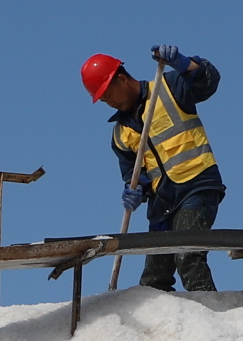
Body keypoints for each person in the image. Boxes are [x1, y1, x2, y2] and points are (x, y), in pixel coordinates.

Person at [81, 45, 225, 293]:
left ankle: (212, 313)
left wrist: (184, 63)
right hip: (162, 204)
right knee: (154, 279)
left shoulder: (168, 88)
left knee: (187, 256)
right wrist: (135, 190)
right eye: (103, 99)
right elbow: (135, 175)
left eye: (109, 94)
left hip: (196, 187)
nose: (109, 102)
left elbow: (208, 81)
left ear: (122, 79)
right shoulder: (120, 134)